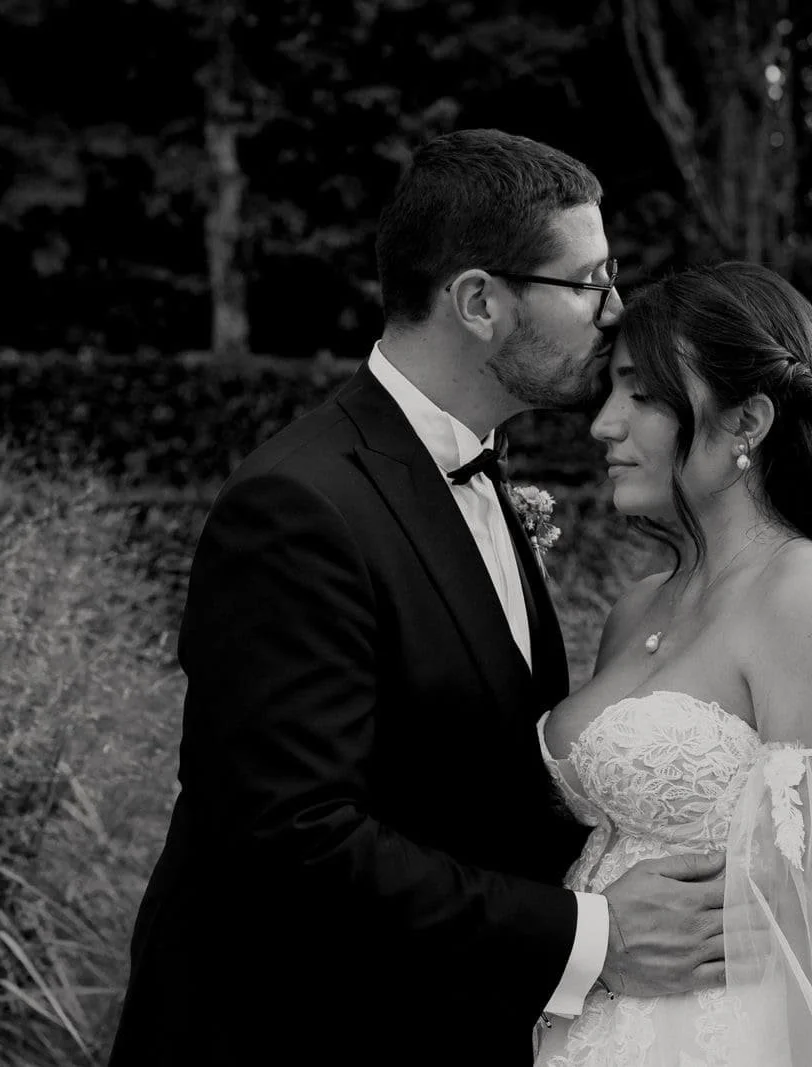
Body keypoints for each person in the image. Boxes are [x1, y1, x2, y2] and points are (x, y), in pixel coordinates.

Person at [107, 129, 727, 1066]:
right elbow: (289, 836)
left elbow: (472, 781)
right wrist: (588, 935)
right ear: (478, 302)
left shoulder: (471, 474)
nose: (614, 309)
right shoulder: (299, 505)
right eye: (589, 280)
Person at [533, 261, 812, 1065]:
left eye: (641, 395)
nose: (604, 425)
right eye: (610, 392)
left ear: (747, 421)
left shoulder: (809, 598)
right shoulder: (636, 609)